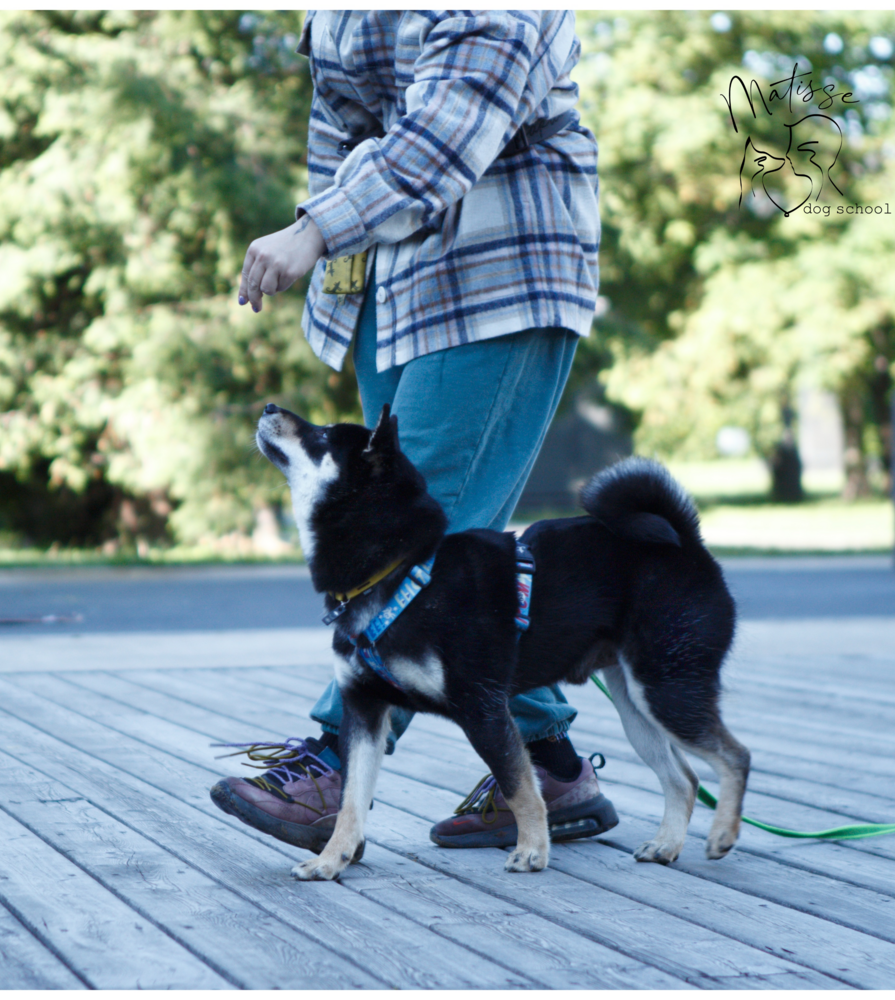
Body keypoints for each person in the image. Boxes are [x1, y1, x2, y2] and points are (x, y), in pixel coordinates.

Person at [211, 10, 618, 853]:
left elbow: (450, 125)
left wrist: (315, 227)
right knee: (458, 538)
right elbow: (342, 127)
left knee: (405, 533)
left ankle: (334, 763)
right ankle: (546, 761)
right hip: (391, 284)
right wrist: (336, 276)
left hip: (500, 267)